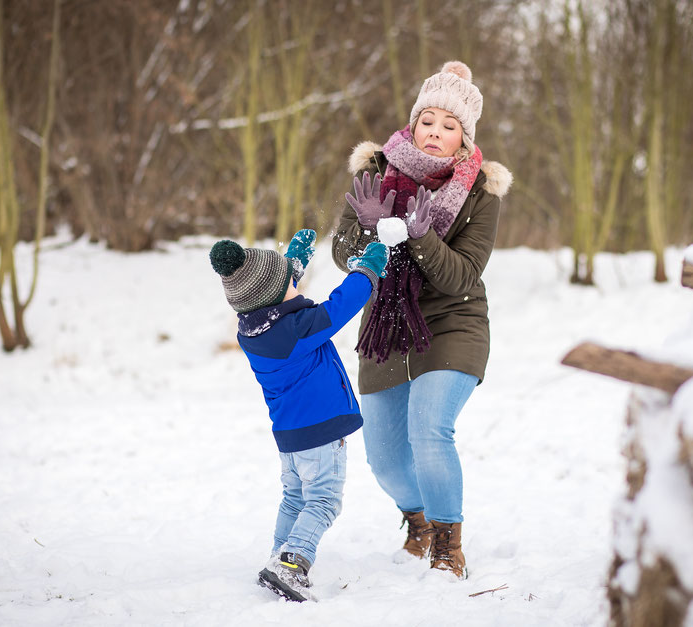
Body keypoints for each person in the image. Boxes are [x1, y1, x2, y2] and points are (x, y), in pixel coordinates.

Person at [331, 61, 512, 580]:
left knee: (430, 430)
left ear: (463, 137)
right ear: (414, 123)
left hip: (454, 321)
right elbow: (344, 255)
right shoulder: (374, 171)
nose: (435, 132)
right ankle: (418, 520)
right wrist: (368, 235)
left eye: (448, 125)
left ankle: (447, 545)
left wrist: (419, 233)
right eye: (427, 120)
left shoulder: (480, 192)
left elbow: (461, 276)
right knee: (385, 459)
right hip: (387, 321)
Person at [209, 229, 389, 601]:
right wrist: (368, 268)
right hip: (321, 431)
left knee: (294, 497)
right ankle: (292, 563)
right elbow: (342, 304)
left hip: (290, 436)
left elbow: (274, 292)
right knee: (323, 500)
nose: (296, 285)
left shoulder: (253, 331)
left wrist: (292, 261)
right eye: (289, 281)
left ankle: (278, 556)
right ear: (276, 297)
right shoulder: (299, 329)